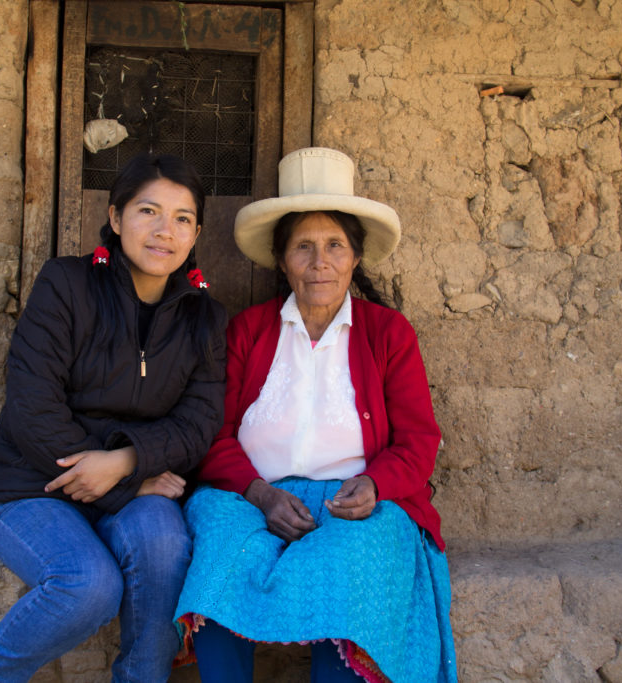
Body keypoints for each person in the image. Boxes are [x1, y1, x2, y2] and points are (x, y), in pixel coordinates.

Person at [0, 153, 227, 683]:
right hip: (35, 484)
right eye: (148, 212)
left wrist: (125, 464)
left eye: (182, 218)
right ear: (115, 219)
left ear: (197, 231)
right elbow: (32, 401)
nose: (165, 231)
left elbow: (198, 421)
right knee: (89, 586)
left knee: (164, 547)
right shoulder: (66, 284)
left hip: (134, 478)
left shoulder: (203, 317)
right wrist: (123, 483)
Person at [174, 147, 457, 682]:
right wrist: (259, 492)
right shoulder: (249, 331)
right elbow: (212, 431)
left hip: (352, 501)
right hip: (251, 496)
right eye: (303, 247)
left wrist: (374, 485)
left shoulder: (388, 335)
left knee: (349, 567)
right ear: (282, 260)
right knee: (217, 542)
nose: (319, 261)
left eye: (334, 246)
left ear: (355, 257)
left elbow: (419, 441)